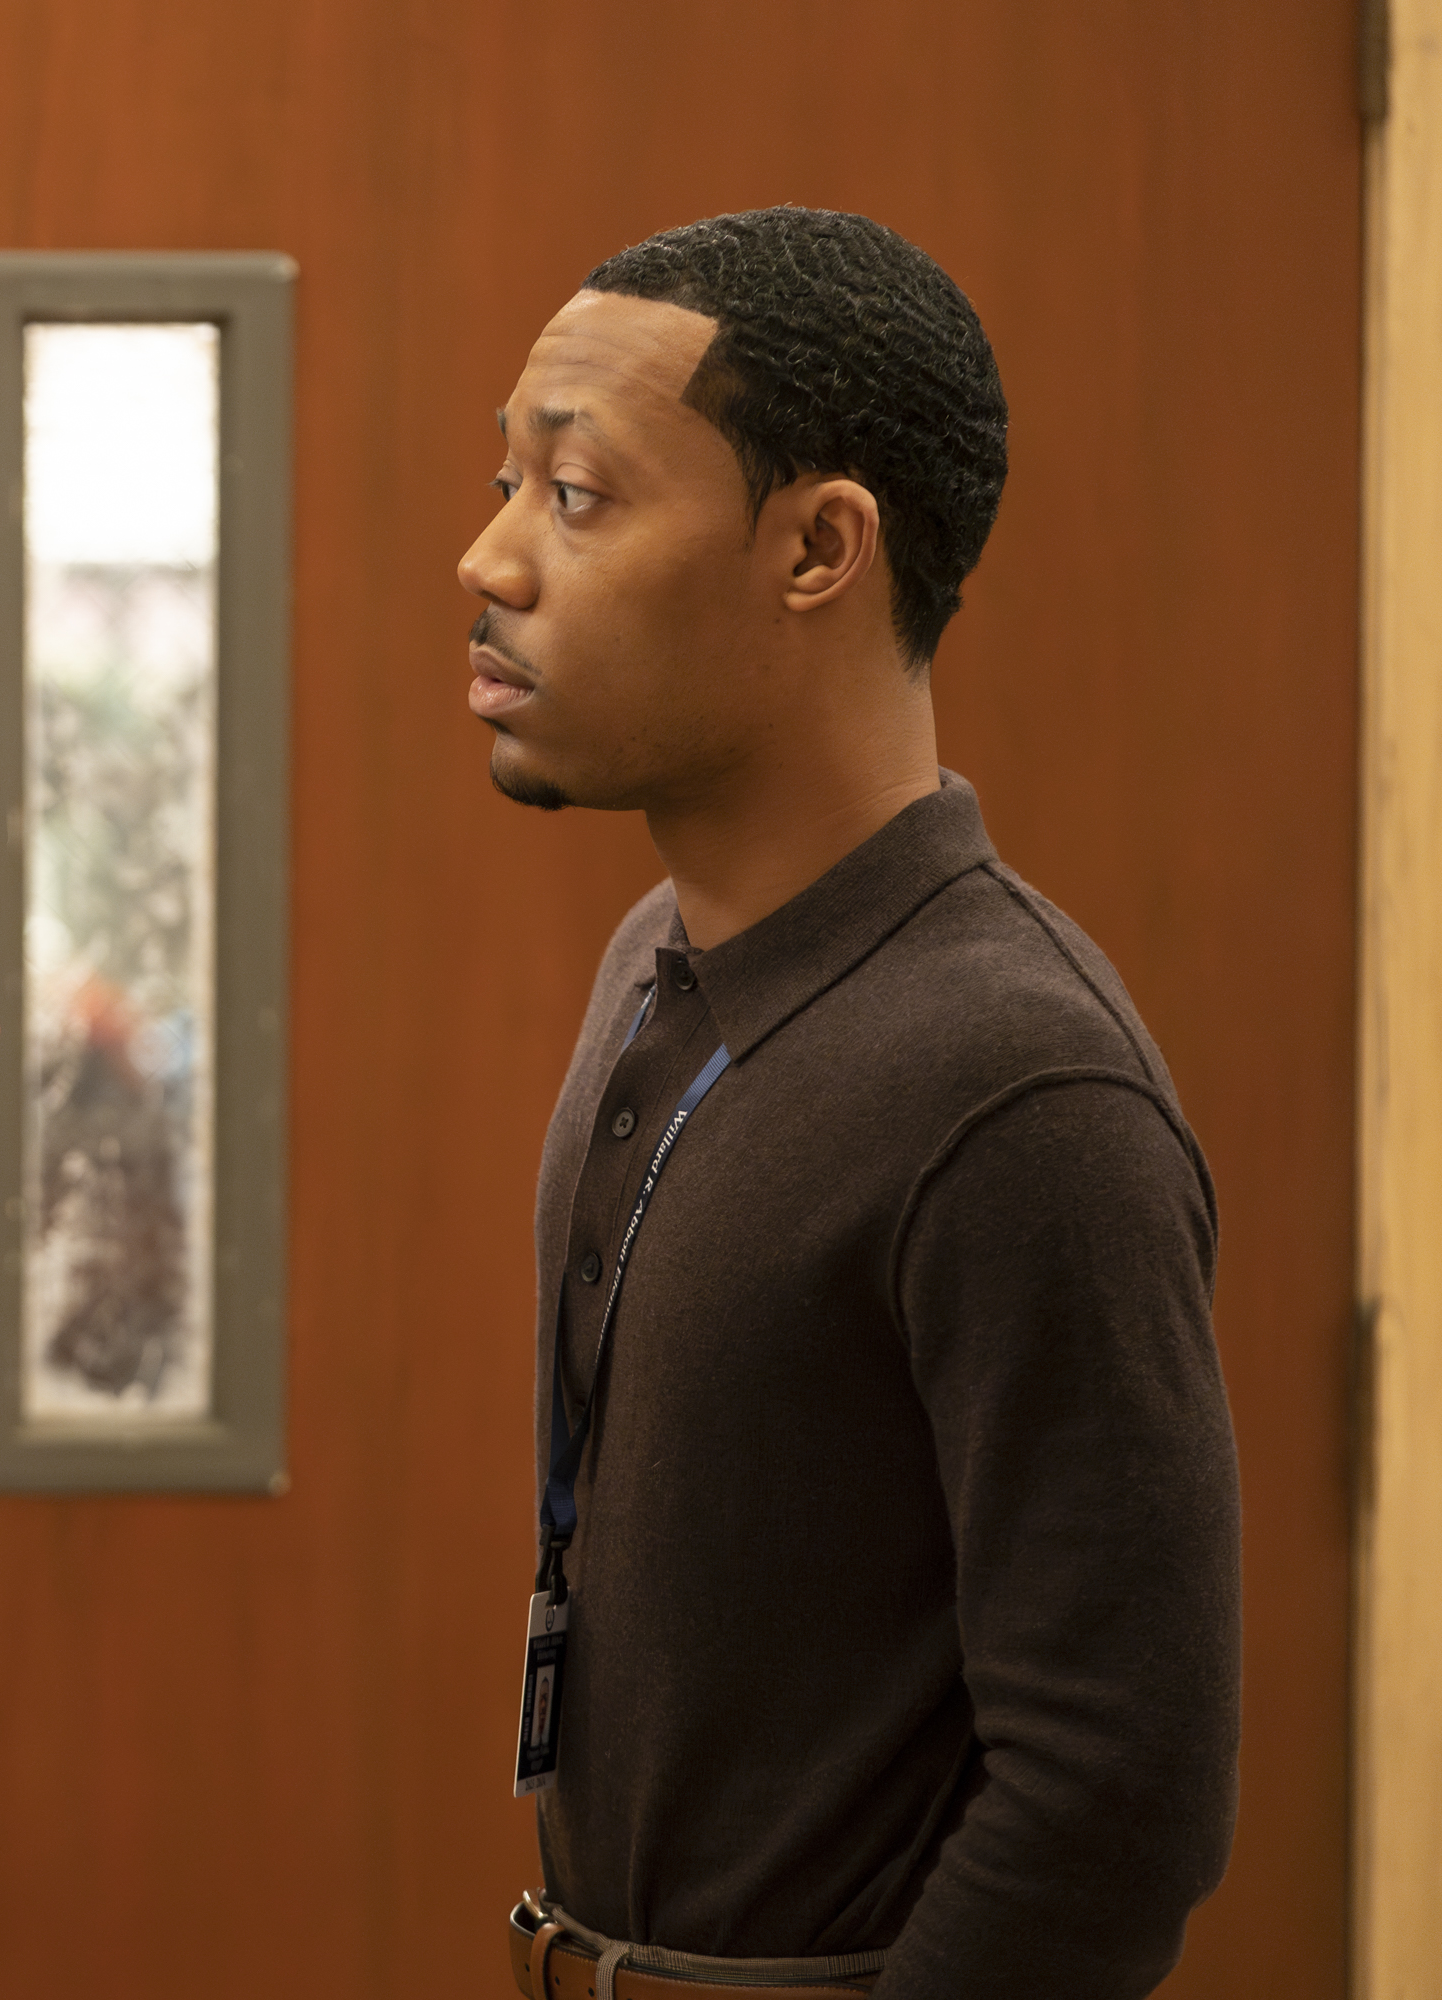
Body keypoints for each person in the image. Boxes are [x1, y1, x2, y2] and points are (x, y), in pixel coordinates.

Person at [458, 208, 1239, 1999]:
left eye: (576, 497)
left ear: (819, 549)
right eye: (506, 482)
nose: (489, 560)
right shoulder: (658, 960)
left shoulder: (1020, 1084)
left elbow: (1117, 1798)